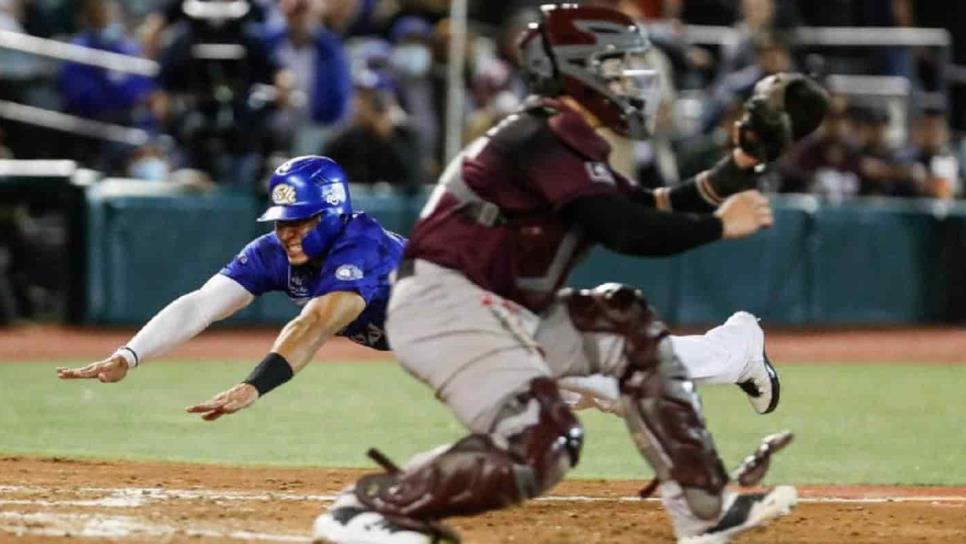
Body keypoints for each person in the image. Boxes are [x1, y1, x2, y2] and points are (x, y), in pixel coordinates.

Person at [312, 5, 827, 544]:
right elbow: (627, 230)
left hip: (499, 305)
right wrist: (719, 227)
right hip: (446, 305)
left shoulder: (566, 140)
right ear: (577, 70)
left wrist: (740, 166)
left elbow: (651, 204)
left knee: (624, 323)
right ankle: (372, 508)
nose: (627, 79)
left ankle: (704, 513)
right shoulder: (538, 135)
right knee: (543, 439)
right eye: (614, 66)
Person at [57, 156, 405, 419]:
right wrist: (129, 355)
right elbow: (201, 305)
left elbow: (314, 324)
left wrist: (255, 384)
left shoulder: (362, 247)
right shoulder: (274, 251)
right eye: (282, 221)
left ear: (332, 214)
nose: (287, 233)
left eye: (300, 221)